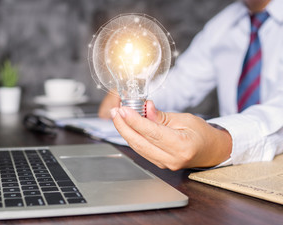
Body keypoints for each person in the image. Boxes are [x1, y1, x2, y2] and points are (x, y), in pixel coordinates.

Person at [99, 0, 283, 170]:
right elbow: (183, 81)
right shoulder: (224, 24)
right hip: (232, 170)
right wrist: (130, 95)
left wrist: (224, 141)